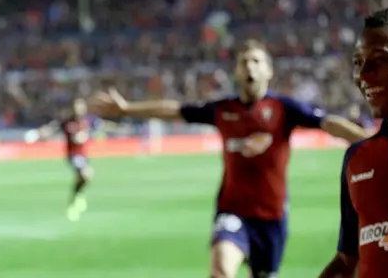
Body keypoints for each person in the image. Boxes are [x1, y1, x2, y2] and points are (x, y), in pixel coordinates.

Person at [89, 39, 370, 278]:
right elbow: (175, 110)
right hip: (232, 212)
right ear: (236, 71)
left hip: (271, 218)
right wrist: (127, 109)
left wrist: (369, 142)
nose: (250, 66)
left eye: (257, 61)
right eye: (244, 62)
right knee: (222, 268)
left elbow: (328, 123)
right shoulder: (222, 110)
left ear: (268, 71)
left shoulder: (284, 109)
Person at [318, 6, 388, 278]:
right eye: (358, 63)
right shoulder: (357, 159)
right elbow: (348, 260)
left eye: (380, 60)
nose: (363, 75)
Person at [27, 98, 121, 221]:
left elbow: (102, 125)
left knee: (84, 178)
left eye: (81, 106)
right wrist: (37, 134)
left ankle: (77, 196)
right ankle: (75, 198)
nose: (79, 109)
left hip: (84, 155)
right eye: (77, 106)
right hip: (73, 155)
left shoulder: (88, 120)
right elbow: (51, 129)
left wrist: (118, 127)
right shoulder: (67, 121)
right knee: (86, 174)